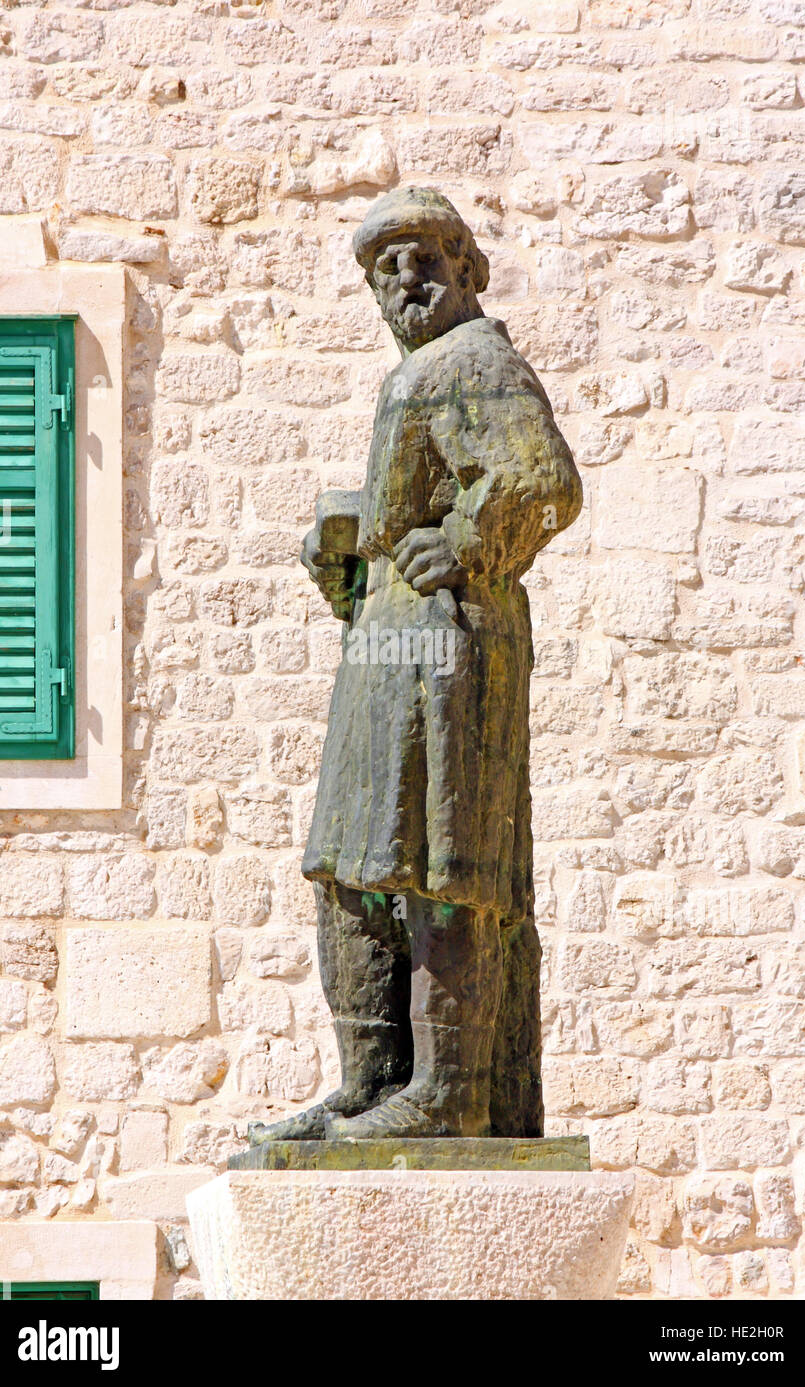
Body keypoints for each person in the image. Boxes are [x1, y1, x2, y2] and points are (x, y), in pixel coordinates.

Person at [252, 186, 582, 1141]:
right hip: (391, 636)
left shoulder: (479, 360)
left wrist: (472, 540)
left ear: (469, 270)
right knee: (353, 859)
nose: (407, 278)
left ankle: (445, 1091)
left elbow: (546, 482)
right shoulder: (430, 372)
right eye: (386, 267)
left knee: (443, 860)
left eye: (427, 256)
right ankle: (371, 1078)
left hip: (448, 641)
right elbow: (411, 506)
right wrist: (353, 533)